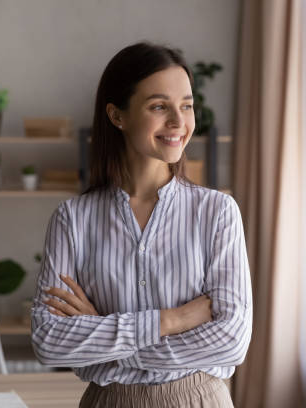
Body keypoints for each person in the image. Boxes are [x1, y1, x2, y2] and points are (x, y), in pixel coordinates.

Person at [30, 42, 253, 408]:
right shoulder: (73, 220)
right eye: (159, 106)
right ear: (117, 116)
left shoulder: (217, 213)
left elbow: (232, 340)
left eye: (186, 105)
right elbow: (49, 341)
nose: (179, 123)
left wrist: (108, 338)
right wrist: (173, 319)